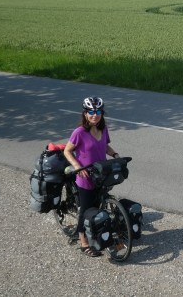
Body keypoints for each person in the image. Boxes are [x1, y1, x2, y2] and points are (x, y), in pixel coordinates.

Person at [64, 96, 120, 257]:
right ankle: (83, 243)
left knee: (99, 205)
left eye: (98, 112)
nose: (95, 115)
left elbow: (105, 146)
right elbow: (67, 151)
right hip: (85, 177)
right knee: (86, 210)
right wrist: (77, 167)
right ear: (85, 113)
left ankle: (96, 231)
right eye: (91, 112)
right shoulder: (79, 132)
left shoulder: (103, 129)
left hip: (101, 174)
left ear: (102, 113)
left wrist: (115, 155)